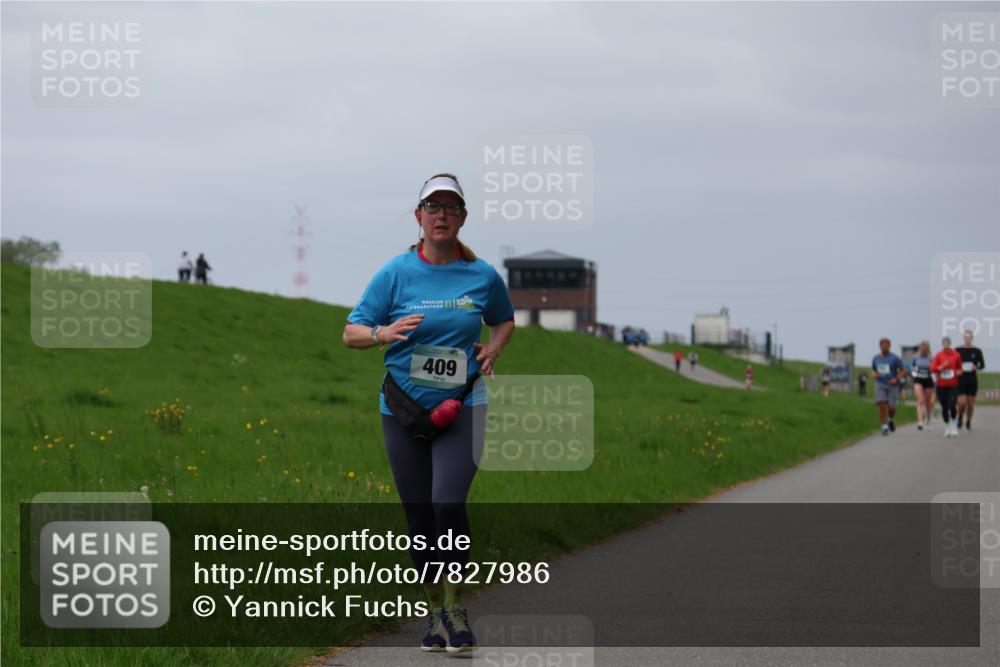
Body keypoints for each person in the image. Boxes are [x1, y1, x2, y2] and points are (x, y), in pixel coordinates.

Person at [343, 173, 515, 654]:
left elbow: (504, 319)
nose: (442, 215)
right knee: (419, 512)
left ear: (463, 217)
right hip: (403, 409)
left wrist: (494, 348)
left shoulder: (481, 275)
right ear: (419, 216)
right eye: (433, 207)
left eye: (451, 207)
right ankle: (434, 612)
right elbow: (351, 332)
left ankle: (457, 607)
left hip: (463, 403)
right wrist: (381, 333)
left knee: (447, 503)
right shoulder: (395, 273)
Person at [871, 338, 906, 436]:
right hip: (880, 384)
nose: (884, 347)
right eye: (882, 345)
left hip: (892, 385)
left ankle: (890, 419)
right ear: (880, 346)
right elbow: (873, 369)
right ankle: (884, 426)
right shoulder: (876, 358)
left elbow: (903, 370)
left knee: (892, 408)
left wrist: (896, 378)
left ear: (889, 346)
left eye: (886, 346)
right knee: (881, 404)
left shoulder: (895, 358)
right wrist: (874, 374)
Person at [931, 336, 963, 438]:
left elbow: (960, 368)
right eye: (944, 344)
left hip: (953, 385)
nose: (946, 346)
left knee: (952, 405)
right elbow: (932, 369)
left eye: (947, 344)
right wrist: (941, 367)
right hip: (941, 385)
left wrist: (959, 372)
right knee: (944, 407)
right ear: (942, 345)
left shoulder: (956, 355)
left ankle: (954, 425)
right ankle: (947, 427)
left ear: (950, 344)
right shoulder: (938, 355)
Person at [956, 329, 986, 431]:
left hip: (972, 380)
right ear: (963, 338)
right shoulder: (957, 350)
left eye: (969, 337)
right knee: (962, 402)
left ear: (972, 338)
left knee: (970, 404)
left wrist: (976, 367)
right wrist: (957, 370)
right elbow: (953, 363)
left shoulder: (977, 351)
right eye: (966, 337)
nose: (967, 339)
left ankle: (968, 421)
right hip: (961, 380)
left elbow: (982, 365)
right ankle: (960, 417)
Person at [911, 340, 935, 430]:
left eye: (926, 348)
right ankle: (920, 422)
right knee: (920, 400)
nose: (924, 350)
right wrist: (914, 376)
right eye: (922, 348)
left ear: (928, 349)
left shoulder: (931, 358)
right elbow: (913, 367)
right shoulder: (916, 357)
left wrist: (931, 367)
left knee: (928, 402)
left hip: (928, 380)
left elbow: (934, 369)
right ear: (920, 348)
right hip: (918, 380)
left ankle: (928, 418)